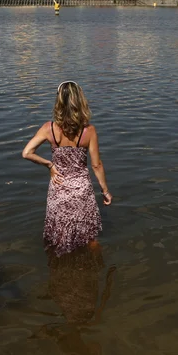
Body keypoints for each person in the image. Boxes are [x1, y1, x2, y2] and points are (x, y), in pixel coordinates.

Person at [23, 81, 112, 256]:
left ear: (59, 102)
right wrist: (105, 190)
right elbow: (96, 165)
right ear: (80, 101)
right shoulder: (89, 131)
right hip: (81, 190)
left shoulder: (49, 129)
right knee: (90, 238)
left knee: (58, 236)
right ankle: (97, 271)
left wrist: (49, 164)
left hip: (59, 188)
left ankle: (61, 272)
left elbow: (26, 153)